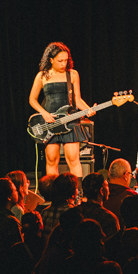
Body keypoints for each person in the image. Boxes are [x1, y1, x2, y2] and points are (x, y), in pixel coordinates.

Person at [28, 42, 95, 178]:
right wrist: (44, 114)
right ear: (51, 60)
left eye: (65, 60)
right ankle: (53, 193)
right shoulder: (42, 76)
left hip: (70, 120)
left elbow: (78, 99)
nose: (63, 64)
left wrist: (88, 109)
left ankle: (77, 193)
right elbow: (32, 99)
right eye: (60, 61)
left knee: (73, 159)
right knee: (52, 159)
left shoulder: (73, 74)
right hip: (50, 122)